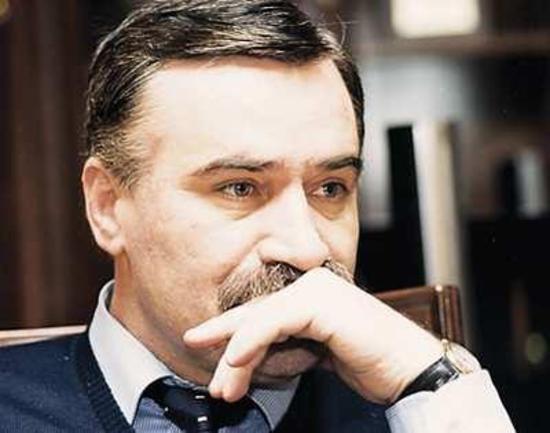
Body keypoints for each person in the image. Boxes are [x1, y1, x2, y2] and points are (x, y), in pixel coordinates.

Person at [0, 1, 515, 432]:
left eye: (330, 188)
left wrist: (432, 383)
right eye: (240, 188)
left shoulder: (414, 410)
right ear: (108, 207)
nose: (307, 248)